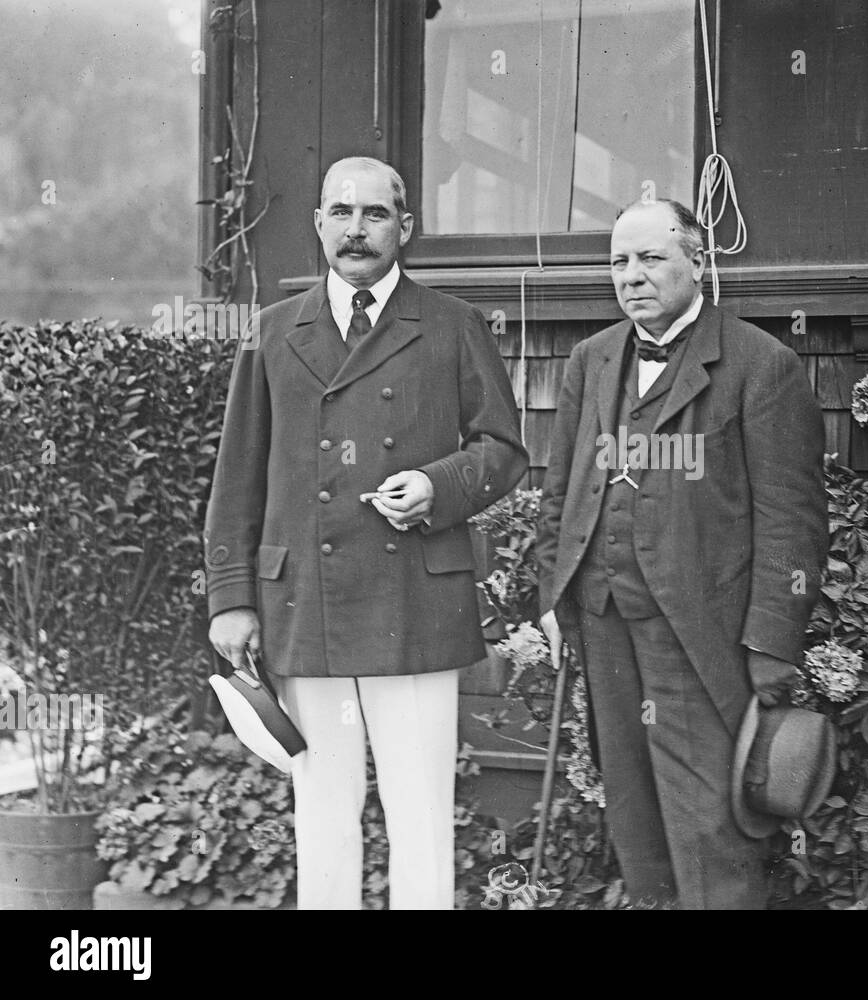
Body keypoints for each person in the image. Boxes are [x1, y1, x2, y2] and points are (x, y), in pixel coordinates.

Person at [204, 156, 527, 909]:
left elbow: (503, 449)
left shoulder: (452, 325)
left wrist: (436, 487)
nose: (356, 229)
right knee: (323, 814)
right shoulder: (273, 332)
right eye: (341, 213)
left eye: (375, 214)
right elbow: (236, 477)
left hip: (414, 601)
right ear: (318, 223)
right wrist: (230, 598)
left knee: (420, 819)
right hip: (306, 604)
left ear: (405, 227)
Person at [535, 198, 826, 909]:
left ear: (699, 262)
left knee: (711, 832)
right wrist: (553, 594)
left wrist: (769, 645)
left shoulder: (763, 365)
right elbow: (560, 489)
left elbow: (793, 520)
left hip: (702, 637)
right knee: (633, 818)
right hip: (603, 623)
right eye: (619, 261)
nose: (632, 276)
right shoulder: (590, 360)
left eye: (651, 258)